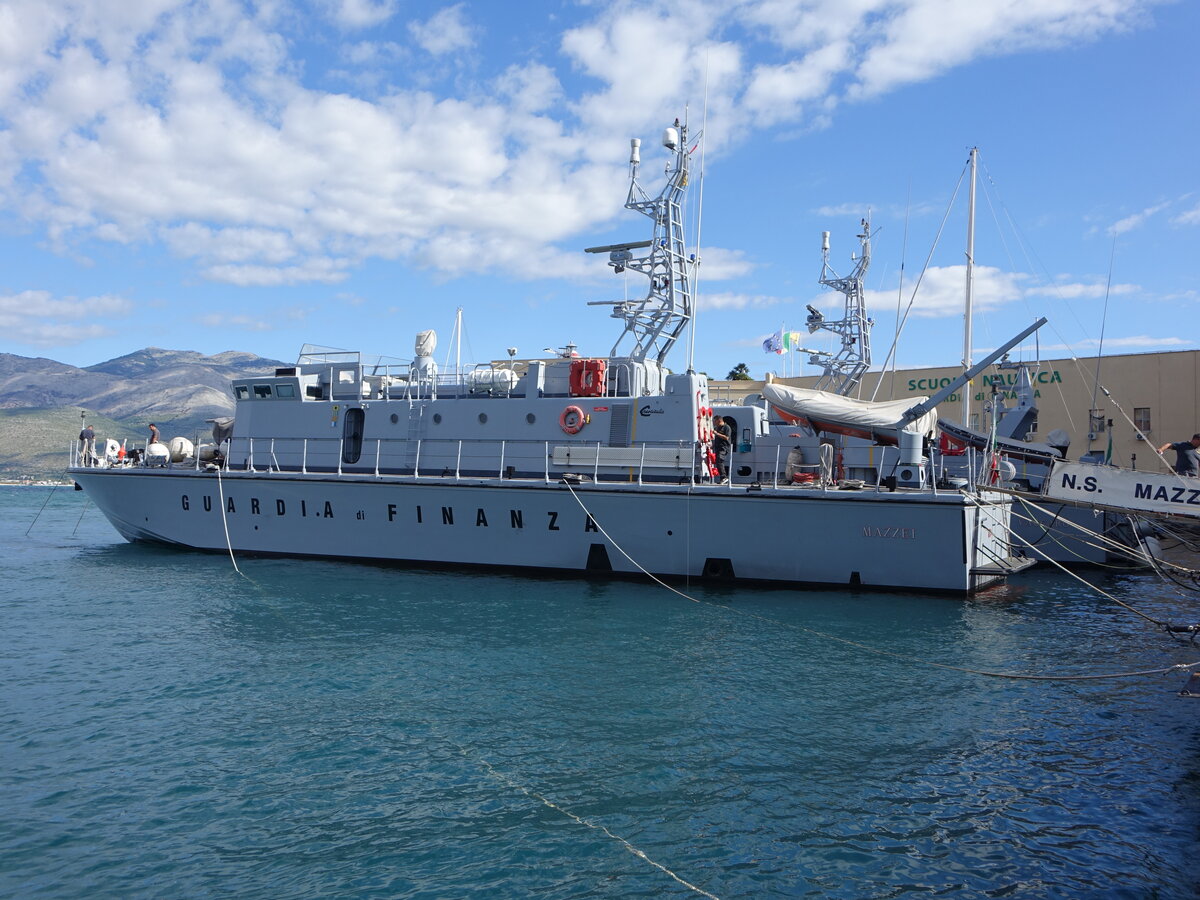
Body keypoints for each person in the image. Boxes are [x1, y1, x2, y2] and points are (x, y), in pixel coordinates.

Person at [712, 415, 732, 482]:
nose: (714, 423)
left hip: (724, 447)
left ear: (719, 420)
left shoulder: (727, 427)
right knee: (717, 461)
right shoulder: (717, 427)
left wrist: (717, 434)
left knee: (719, 460)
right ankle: (722, 478)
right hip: (718, 446)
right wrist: (713, 445)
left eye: (715, 421)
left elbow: (727, 437)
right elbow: (716, 438)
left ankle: (724, 477)